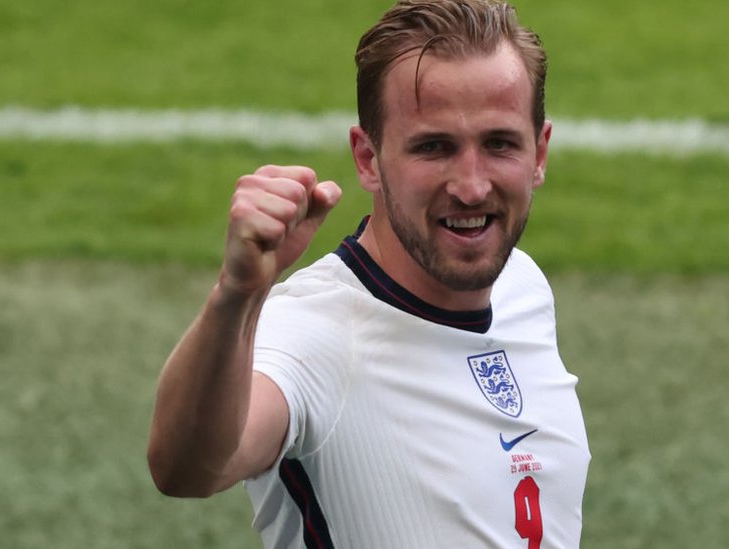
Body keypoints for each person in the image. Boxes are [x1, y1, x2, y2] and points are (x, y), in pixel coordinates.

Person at [147, 0, 589, 547]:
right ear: (367, 159)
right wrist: (236, 296)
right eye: (434, 147)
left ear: (539, 151)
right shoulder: (313, 332)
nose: (472, 186)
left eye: (499, 144)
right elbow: (188, 469)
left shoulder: (522, 285)